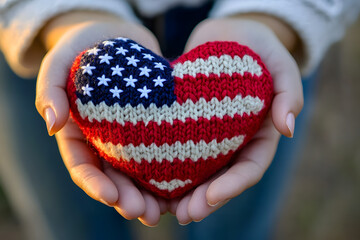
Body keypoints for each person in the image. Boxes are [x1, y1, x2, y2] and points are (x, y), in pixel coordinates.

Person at [0, 0, 359, 239]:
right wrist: (63, 15)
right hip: (47, 30)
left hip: (255, 45)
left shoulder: (253, 66)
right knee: (71, 228)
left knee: (235, 231)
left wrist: (274, 16)